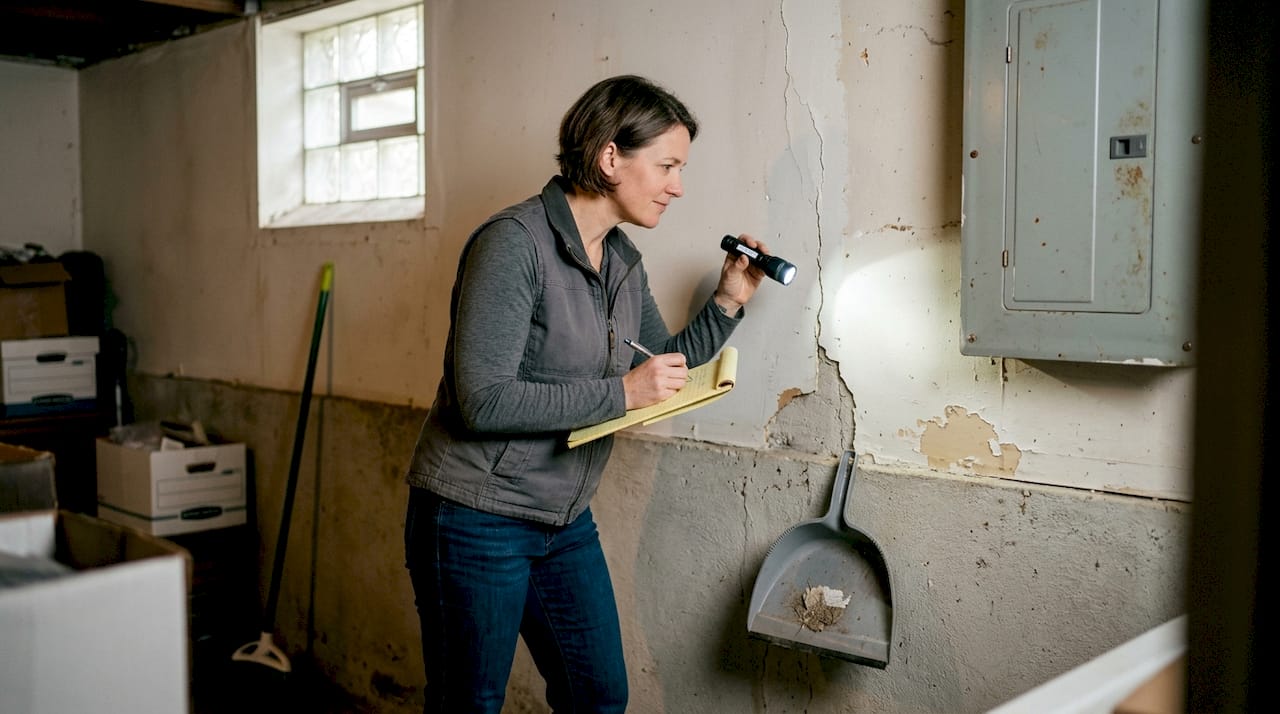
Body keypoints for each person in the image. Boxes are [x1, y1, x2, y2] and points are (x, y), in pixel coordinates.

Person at [403, 74, 772, 713]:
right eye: (666, 166)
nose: (677, 186)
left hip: (562, 520)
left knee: (597, 697)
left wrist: (729, 299)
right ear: (609, 157)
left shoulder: (621, 258)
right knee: (469, 704)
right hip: (474, 516)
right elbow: (481, 401)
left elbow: (662, 365)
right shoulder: (512, 244)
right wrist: (620, 394)